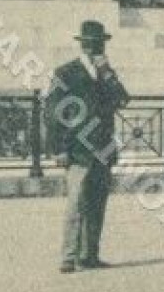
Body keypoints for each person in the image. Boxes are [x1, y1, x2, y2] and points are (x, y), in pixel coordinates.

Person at [46, 20, 130, 273]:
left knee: (97, 202)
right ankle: (68, 257)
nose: (97, 48)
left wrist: (107, 73)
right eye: (92, 44)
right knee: (76, 203)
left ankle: (89, 254)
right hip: (77, 148)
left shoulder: (106, 74)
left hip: (103, 148)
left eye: (100, 44)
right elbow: (52, 113)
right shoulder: (65, 73)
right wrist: (59, 148)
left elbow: (123, 99)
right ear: (82, 45)